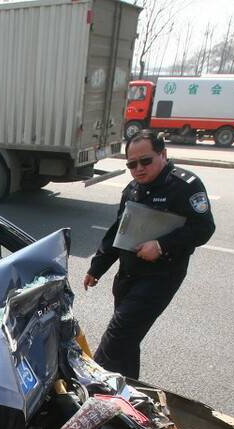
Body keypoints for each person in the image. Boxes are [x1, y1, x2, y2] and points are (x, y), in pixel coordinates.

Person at [84, 130, 216, 379]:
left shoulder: (184, 186)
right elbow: (118, 232)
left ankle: (90, 386)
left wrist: (162, 245)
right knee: (127, 342)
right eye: (132, 164)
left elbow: (204, 228)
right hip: (128, 276)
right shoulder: (132, 189)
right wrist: (97, 267)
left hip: (160, 278)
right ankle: (128, 395)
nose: (139, 169)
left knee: (117, 337)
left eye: (146, 161)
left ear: (163, 155)